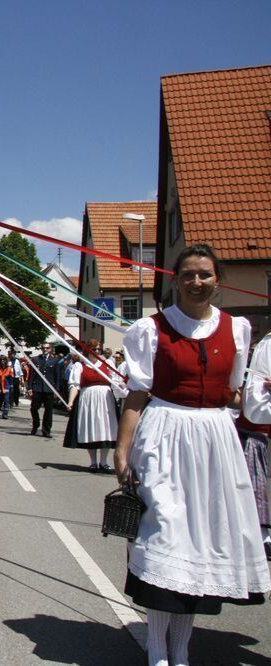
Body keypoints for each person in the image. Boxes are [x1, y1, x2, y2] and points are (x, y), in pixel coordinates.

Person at [115, 245, 270, 666]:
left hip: (215, 440)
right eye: (188, 275)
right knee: (165, 533)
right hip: (164, 434)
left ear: (217, 279)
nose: (196, 282)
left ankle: (180, 647)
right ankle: (158, 646)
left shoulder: (237, 329)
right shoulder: (152, 329)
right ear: (175, 280)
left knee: (200, 542)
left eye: (204, 274)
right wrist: (122, 450)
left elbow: (237, 393)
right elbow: (136, 395)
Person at [63, 340, 118, 471]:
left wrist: (121, 386)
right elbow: (75, 385)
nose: (98, 351)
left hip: (106, 399)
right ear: (88, 350)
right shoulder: (80, 365)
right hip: (88, 400)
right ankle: (93, 462)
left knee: (106, 429)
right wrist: (70, 402)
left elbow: (116, 380)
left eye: (99, 349)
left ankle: (104, 462)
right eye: (95, 349)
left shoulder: (108, 363)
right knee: (91, 428)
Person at [241, 332, 271, 559]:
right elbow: (254, 402)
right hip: (254, 432)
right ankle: (261, 536)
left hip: (256, 431)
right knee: (255, 487)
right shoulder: (267, 345)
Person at [27, 342, 58, 438]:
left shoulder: (54, 361)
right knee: (34, 408)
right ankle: (35, 425)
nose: (45, 349)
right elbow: (31, 375)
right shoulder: (35, 359)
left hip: (49, 388)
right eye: (43, 348)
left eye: (47, 348)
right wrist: (30, 387)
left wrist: (56, 390)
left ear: (50, 349)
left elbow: (57, 376)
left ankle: (46, 430)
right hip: (37, 388)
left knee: (48, 410)